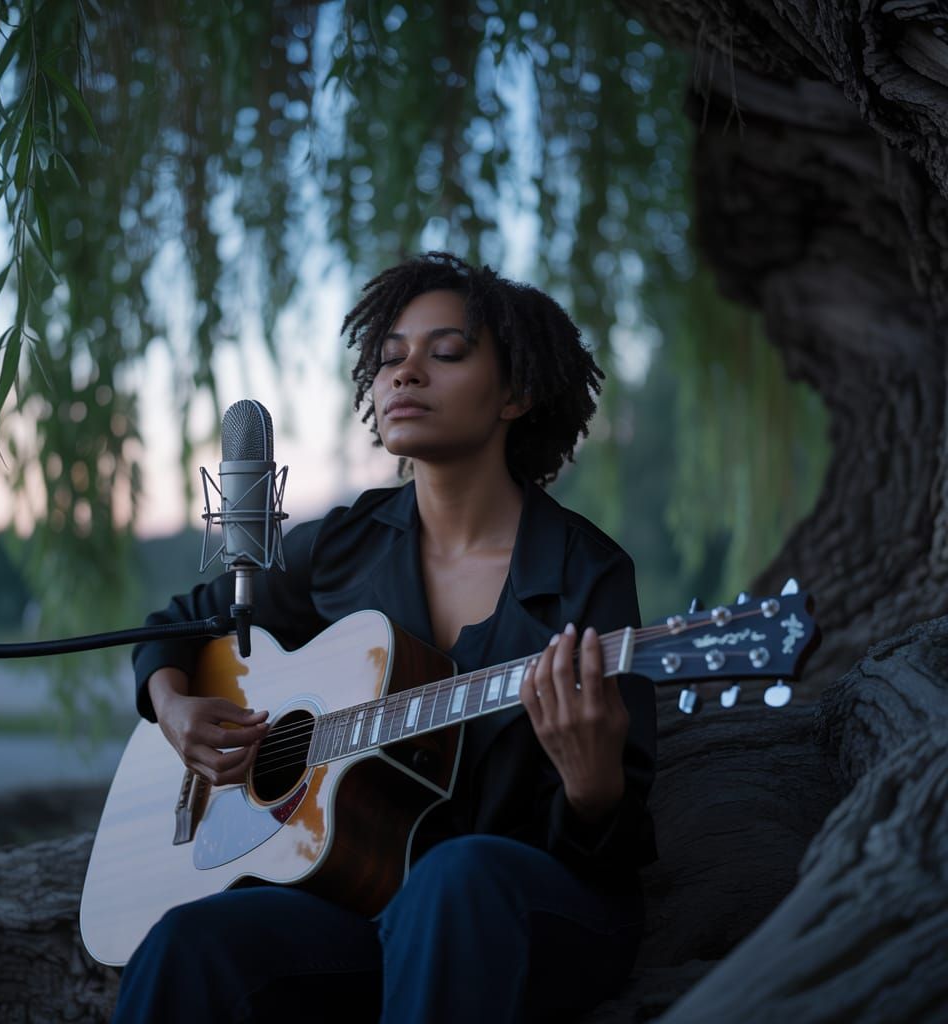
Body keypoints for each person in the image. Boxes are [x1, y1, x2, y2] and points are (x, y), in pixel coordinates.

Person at [112, 252, 657, 1023]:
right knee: (190, 943)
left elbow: (618, 831)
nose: (405, 374)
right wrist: (172, 706)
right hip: (369, 905)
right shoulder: (344, 543)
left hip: (523, 906)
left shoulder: (583, 574)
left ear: (518, 392)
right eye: (391, 356)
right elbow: (181, 625)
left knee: (459, 877)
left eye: (445, 353)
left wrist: (592, 784)